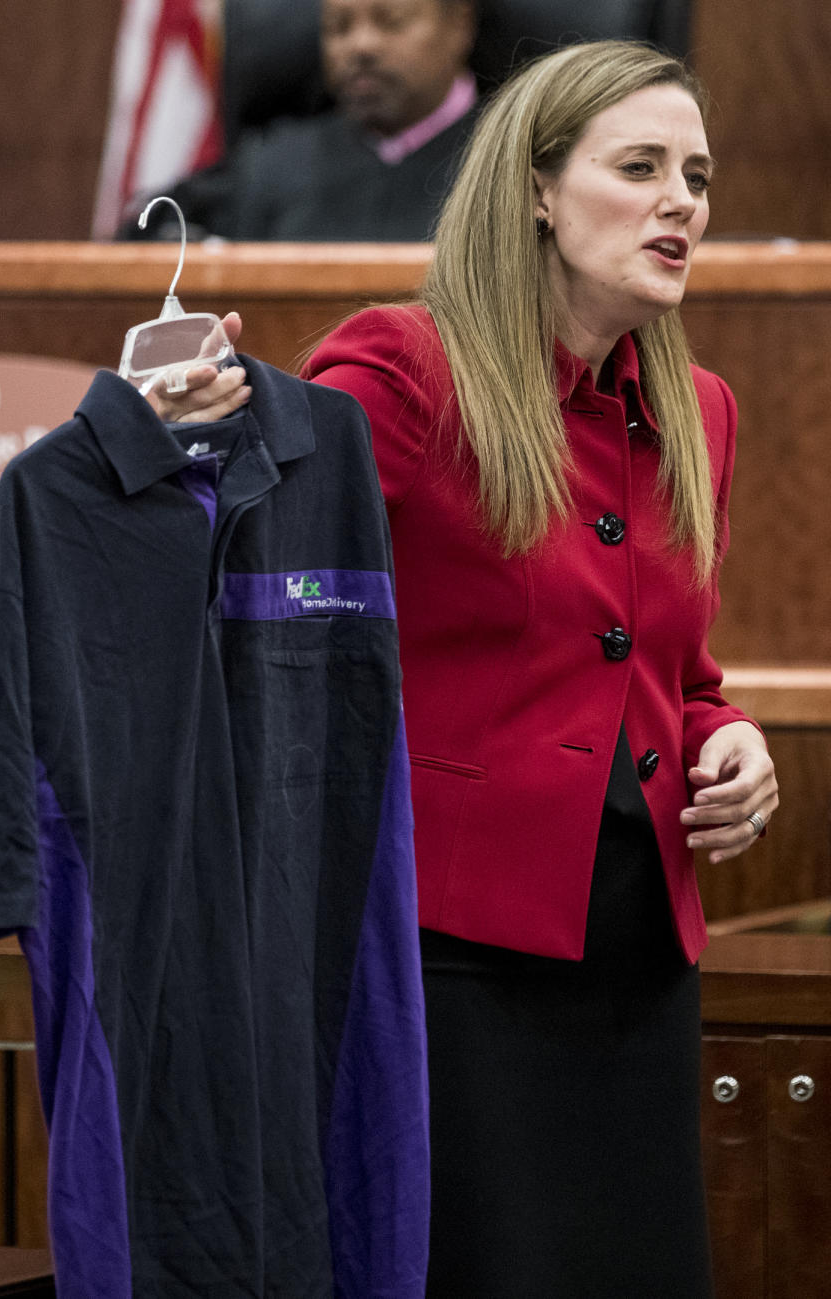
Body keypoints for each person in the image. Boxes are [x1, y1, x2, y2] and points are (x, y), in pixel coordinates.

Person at [151, 39, 779, 1297]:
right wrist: (191, 450)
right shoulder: (400, 372)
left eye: (697, 177)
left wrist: (733, 737)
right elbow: (252, 583)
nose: (682, 204)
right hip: (449, 954)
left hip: (639, 955)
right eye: (641, 166)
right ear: (536, 189)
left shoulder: (699, 408)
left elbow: (675, 666)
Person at [121, 0, 478, 242]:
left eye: (391, 22)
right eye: (339, 27)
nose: (361, 45)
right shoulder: (270, 166)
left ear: (460, 25)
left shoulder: (515, 158)